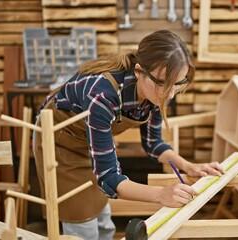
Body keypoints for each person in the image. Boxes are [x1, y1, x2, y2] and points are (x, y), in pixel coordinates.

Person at [33, 30, 225, 239]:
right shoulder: (103, 95)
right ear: (139, 71)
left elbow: (153, 144)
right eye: (164, 84)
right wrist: (162, 194)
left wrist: (188, 166)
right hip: (60, 142)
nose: (170, 95)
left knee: (105, 225)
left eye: (177, 85)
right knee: (83, 227)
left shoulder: (161, 90)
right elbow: (108, 178)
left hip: (89, 144)